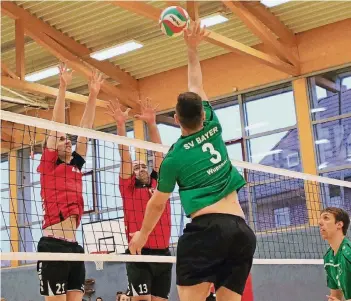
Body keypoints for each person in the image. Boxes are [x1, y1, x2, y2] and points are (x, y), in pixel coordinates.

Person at [129, 20, 256, 301]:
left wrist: (142, 235)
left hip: (206, 232)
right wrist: (192, 49)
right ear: (202, 113)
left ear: (176, 120)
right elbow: (196, 84)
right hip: (241, 231)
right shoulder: (213, 122)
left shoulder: (174, 157)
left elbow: (157, 203)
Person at [36, 63, 103, 301]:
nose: (67, 141)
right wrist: (62, 87)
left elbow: (86, 130)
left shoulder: (75, 166)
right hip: (52, 245)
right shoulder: (48, 166)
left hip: (74, 246)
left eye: (68, 139)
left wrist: (93, 95)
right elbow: (55, 126)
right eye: (62, 139)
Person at [106, 98, 172, 301]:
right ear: (131, 173)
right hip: (139, 253)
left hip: (163, 253)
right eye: (137, 167)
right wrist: (120, 125)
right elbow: (125, 155)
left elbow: (159, 154)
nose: (141, 169)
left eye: (144, 166)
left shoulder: (159, 185)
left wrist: (152, 124)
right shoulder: (128, 189)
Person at [319, 207, 351, 301]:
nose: (320, 223)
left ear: (339, 224)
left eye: (326, 218)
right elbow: (336, 296)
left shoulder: (348, 254)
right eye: (320, 219)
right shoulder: (328, 258)